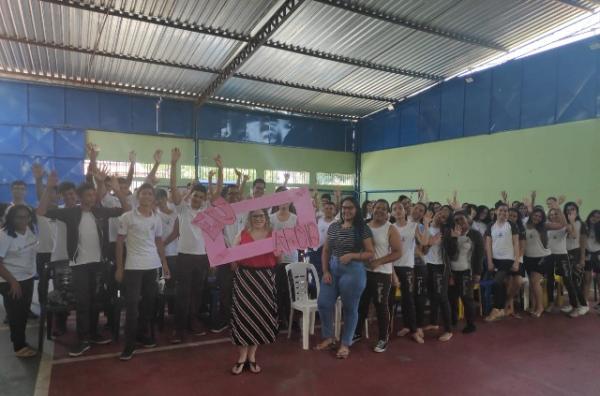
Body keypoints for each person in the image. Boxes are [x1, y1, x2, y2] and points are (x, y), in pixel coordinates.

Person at [37, 170, 130, 357]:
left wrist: (117, 190)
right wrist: (47, 188)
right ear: (80, 197)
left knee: (96, 301)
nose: (92, 196)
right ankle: (83, 339)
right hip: (79, 265)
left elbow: (127, 210)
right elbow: (41, 211)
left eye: (93, 194)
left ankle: (93, 334)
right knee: (83, 303)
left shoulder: (100, 211)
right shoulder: (70, 213)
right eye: (88, 194)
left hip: (98, 264)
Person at [169, 148, 223, 343]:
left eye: (201, 196)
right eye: (195, 196)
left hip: (201, 258)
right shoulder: (182, 209)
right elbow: (174, 188)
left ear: (203, 199)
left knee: (197, 293)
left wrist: (221, 168)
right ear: (191, 196)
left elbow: (217, 193)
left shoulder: (207, 211)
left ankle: (193, 321)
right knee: (182, 294)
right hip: (184, 257)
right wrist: (174, 164)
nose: (198, 199)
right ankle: (178, 329)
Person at [116, 183, 171, 360]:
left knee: (149, 305)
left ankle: (142, 334)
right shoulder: (127, 217)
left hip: (152, 266)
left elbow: (159, 242)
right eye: (144, 193)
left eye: (150, 194)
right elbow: (119, 243)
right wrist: (119, 267)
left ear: (153, 198)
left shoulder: (156, 218)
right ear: (138, 196)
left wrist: (164, 264)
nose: (147, 196)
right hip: (133, 267)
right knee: (132, 307)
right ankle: (129, 345)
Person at [315, 197, 374, 359]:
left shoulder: (362, 229)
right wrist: (326, 271)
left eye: (350, 208)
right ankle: (329, 337)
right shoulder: (334, 226)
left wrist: (352, 255)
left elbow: (370, 253)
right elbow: (326, 250)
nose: (346, 211)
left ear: (356, 210)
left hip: (353, 271)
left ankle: (345, 343)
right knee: (324, 303)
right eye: (344, 208)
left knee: (350, 308)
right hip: (333, 269)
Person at [230, 209, 279, 375]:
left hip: (265, 280)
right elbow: (232, 259)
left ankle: (252, 357)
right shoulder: (241, 234)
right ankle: (241, 357)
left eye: (261, 216)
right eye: (255, 216)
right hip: (245, 280)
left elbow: (279, 259)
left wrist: (278, 252)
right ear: (249, 218)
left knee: (259, 317)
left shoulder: (274, 235)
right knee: (243, 317)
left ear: (266, 218)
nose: (258, 219)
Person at [355, 199, 402, 353]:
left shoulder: (391, 228)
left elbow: (398, 252)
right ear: (372, 209)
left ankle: (383, 338)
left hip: (382, 274)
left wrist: (378, 262)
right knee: (361, 305)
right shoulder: (365, 226)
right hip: (363, 272)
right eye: (377, 208)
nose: (380, 210)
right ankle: (357, 332)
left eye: (384, 208)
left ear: (388, 212)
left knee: (381, 306)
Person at [0, 205, 38, 357]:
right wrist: (13, 283)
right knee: (16, 316)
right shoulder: (4, 235)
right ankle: (19, 347)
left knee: (22, 314)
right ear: (11, 218)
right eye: (19, 217)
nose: (23, 220)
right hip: (10, 281)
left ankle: (20, 341)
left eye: (26, 217)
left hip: (26, 279)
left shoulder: (29, 229)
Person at [391, 202, 428, 344]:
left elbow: (424, 242)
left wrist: (425, 224)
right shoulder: (390, 227)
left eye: (400, 208)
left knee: (408, 300)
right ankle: (390, 330)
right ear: (392, 213)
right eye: (394, 209)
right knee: (390, 300)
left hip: (407, 267)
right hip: (391, 267)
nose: (398, 211)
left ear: (405, 210)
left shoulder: (413, 226)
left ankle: (413, 330)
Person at [445, 211, 483, 333]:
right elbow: (449, 253)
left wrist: (478, 273)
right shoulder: (450, 234)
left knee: (467, 298)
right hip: (452, 272)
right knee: (452, 298)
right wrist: (454, 238)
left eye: (461, 219)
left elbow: (479, 255)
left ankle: (471, 324)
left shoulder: (475, 234)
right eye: (456, 220)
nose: (459, 222)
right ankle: (453, 320)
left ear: (468, 220)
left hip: (467, 271)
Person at [546, 206, 586, 317]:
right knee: (550, 280)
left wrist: (572, 222)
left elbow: (573, 236)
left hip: (562, 256)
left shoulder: (564, 226)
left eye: (556, 214)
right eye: (552, 214)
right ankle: (550, 303)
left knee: (568, 281)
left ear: (560, 215)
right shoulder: (547, 225)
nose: (553, 216)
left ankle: (575, 307)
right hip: (548, 256)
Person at [484, 203, 520, 322]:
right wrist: (489, 261)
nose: (503, 213)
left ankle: (497, 309)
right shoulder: (491, 226)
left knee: (496, 282)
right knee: (500, 285)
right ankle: (502, 309)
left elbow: (516, 244)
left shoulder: (511, 225)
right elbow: (488, 245)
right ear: (495, 211)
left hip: (507, 260)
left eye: (505, 211)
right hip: (495, 260)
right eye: (501, 210)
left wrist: (516, 262)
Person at [269, 186, 298, 329]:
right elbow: (268, 239)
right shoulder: (271, 219)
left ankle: (292, 318)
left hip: (291, 259)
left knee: (291, 291)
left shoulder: (296, 219)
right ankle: (279, 318)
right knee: (278, 290)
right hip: (276, 260)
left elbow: (300, 239)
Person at [423, 209, 453, 342]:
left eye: (445, 217)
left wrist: (454, 238)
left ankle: (448, 330)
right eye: (440, 213)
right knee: (432, 295)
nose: (441, 216)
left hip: (440, 266)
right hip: (426, 265)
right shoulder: (426, 228)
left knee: (442, 297)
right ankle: (434, 322)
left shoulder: (446, 232)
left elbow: (452, 253)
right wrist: (430, 243)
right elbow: (422, 249)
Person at [523, 208, 552, 318]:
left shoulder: (543, 226)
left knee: (535, 282)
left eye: (540, 216)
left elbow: (561, 225)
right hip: (528, 258)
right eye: (535, 215)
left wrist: (557, 207)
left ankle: (540, 307)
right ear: (531, 215)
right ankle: (534, 305)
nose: (537, 218)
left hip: (541, 257)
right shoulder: (524, 225)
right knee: (532, 283)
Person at [564, 202, 589, 316]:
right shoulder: (564, 223)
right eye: (568, 209)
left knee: (574, 281)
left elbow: (583, 242)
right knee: (567, 281)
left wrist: (582, 259)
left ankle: (583, 305)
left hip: (576, 253)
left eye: (573, 209)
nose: (570, 211)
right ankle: (572, 304)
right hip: (565, 254)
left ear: (577, 211)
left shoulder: (581, 224)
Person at [504, 208, 526, 317]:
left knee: (518, 282)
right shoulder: (500, 227)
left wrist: (516, 260)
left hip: (517, 259)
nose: (512, 218)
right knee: (508, 283)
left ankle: (507, 303)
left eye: (514, 216)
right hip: (504, 259)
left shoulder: (520, 229)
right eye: (510, 215)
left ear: (518, 218)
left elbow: (522, 247)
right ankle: (510, 309)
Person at [308, 201, 336, 278]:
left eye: (331, 208)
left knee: (328, 274)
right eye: (326, 208)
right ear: (323, 210)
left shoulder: (337, 223)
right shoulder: (318, 219)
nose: (329, 210)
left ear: (334, 210)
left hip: (329, 252)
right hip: (316, 251)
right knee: (315, 274)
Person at [585, 210, 600, 308]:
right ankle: (584, 302)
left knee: (599, 280)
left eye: (598, 217)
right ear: (589, 216)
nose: (595, 218)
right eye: (593, 216)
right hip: (587, 254)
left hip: (598, 255)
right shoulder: (584, 227)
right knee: (587, 279)